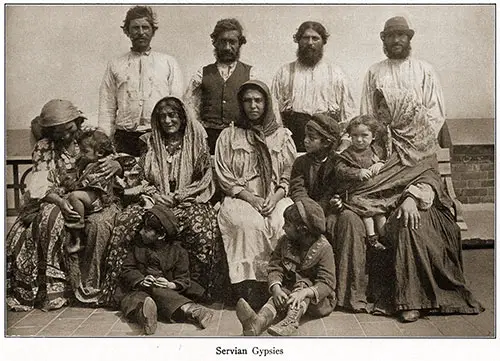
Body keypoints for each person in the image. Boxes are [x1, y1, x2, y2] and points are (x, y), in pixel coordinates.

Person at [335, 16, 484, 322]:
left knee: (410, 224)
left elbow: (429, 172)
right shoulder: (381, 138)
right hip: (388, 200)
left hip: (421, 200)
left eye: (402, 35)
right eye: (391, 35)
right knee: (372, 220)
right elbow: (371, 171)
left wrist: (412, 196)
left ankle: (413, 299)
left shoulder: (421, 127)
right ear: (383, 39)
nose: (397, 40)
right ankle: (374, 296)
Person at [6, 99, 123, 311]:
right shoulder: (44, 147)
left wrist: (116, 164)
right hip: (56, 197)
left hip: (95, 195)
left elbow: (113, 159)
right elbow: (42, 184)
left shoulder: (91, 137)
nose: (65, 135)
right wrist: (61, 201)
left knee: (95, 223)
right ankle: (50, 289)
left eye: (68, 129)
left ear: (77, 121)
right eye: (57, 132)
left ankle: (87, 287)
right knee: (47, 220)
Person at [127, 96, 226, 301]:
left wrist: (182, 195)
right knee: (127, 222)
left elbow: (205, 176)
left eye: (172, 115)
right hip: (156, 200)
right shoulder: (150, 143)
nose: (167, 121)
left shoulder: (196, 141)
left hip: (189, 198)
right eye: (162, 116)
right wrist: (155, 195)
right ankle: (135, 285)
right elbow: (140, 176)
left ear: (181, 117)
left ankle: (197, 289)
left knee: (203, 230)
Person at [215, 80, 297, 309]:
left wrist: (276, 197)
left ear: (266, 103)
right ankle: (251, 292)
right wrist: (251, 198)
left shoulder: (281, 135)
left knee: (284, 221)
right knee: (246, 224)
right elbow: (224, 174)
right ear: (241, 105)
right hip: (241, 195)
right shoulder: (229, 136)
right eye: (248, 101)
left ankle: (282, 285)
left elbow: (288, 172)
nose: (253, 106)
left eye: (258, 100)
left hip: (274, 195)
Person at [235, 199, 336, 336]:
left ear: (303, 230)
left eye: (287, 225)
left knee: (302, 284)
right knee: (279, 294)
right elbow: (275, 267)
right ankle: (258, 322)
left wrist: (304, 293)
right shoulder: (285, 242)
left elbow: (327, 283)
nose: (283, 228)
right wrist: (276, 289)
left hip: (316, 301)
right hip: (289, 292)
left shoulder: (324, 248)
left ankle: (291, 321)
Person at [115, 205, 214, 335]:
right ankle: (147, 318)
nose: (140, 232)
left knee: (157, 291)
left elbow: (184, 278)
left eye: (146, 229)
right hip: (140, 290)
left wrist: (170, 284)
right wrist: (140, 280)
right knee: (133, 301)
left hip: (167, 293)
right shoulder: (138, 247)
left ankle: (194, 311)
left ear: (161, 235)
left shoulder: (178, 251)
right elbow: (127, 269)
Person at [99, 5, 184, 156]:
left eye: (145, 27)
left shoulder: (168, 62)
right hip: (124, 137)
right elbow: (107, 105)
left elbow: (176, 102)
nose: (140, 32)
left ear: (153, 31)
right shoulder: (116, 64)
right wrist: (104, 137)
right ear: (127, 31)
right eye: (135, 28)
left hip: (158, 135)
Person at [271, 21, 356, 152]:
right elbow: (274, 111)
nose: (310, 43)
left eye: (315, 38)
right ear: (298, 41)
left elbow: (349, 113)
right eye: (305, 38)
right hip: (294, 144)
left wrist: (344, 144)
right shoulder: (284, 72)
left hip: (329, 143)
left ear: (323, 42)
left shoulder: (336, 73)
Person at [335, 115, 387, 251]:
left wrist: (380, 164)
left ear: (373, 136)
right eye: (354, 135)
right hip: (356, 193)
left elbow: (387, 164)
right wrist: (357, 173)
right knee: (367, 213)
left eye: (364, 135)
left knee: (380, 215)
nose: (359, 139)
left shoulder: (377, 151)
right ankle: (372, 239)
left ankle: (386, 238)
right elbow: (340, 170)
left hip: (374, 192)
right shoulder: (347, 154)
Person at [63, 130, 116, 254]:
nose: (81, 154)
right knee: (70, 199)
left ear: (100, 152)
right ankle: (77, 242)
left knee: (74, 196)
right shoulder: (87, 163)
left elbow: (93, 181)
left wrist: (78, 185)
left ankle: (80, 222)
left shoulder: (103, 164)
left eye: (85, 151)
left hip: (100, 197)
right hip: (91, 193)